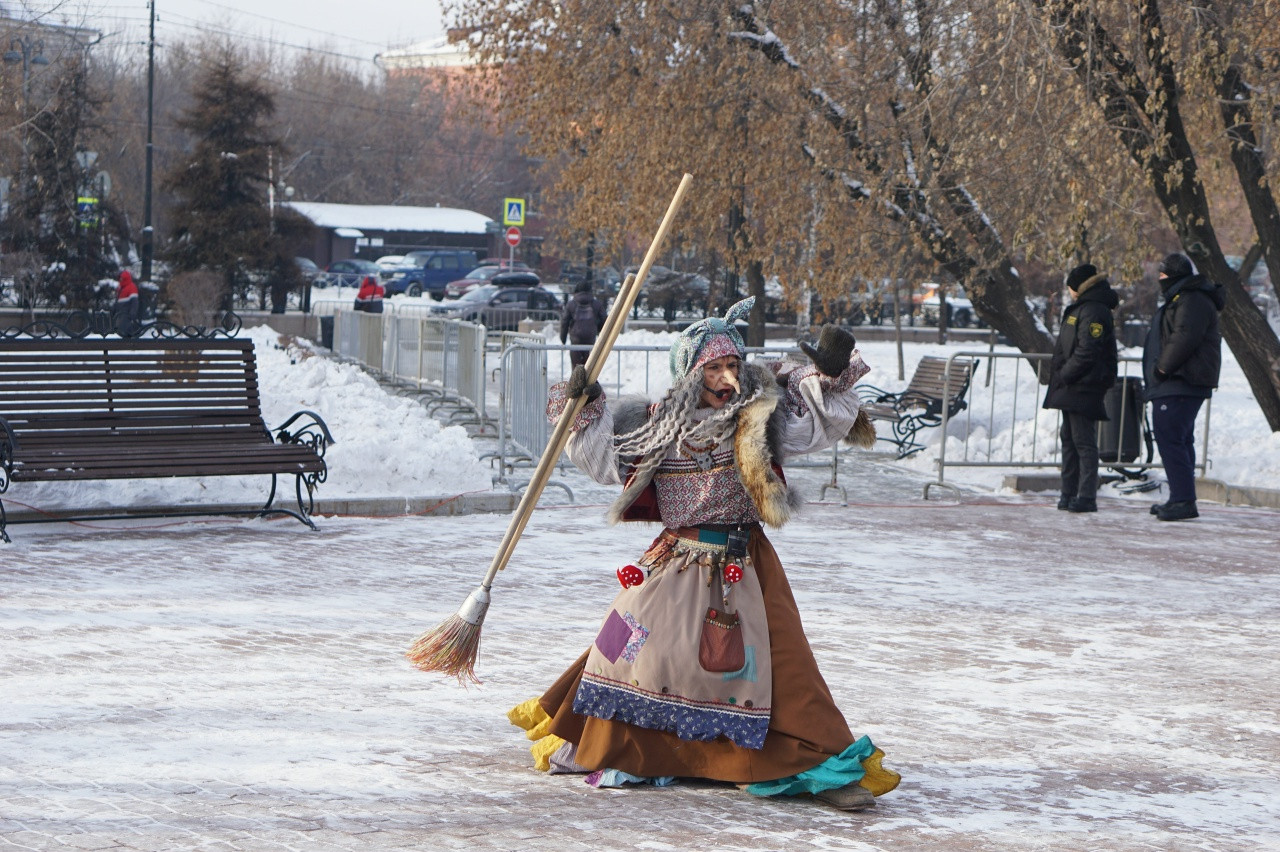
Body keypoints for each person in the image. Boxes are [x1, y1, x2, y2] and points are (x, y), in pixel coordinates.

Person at [508, 298, 898, 812]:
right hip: (676, 558)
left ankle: (817, 765)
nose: (725, 377)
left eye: (733, 365)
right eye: (713, 367)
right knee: (629, 651)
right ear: (690, 372)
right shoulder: (657, 425)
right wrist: (587, 405)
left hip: (746, 561)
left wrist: (826, 374)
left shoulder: (758, 419)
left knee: (782, 668)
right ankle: (609, 743)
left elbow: (813, 424)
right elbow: (605, 459)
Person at [1143, 252, 1224, 521]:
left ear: (1175, 276)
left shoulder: (1192, 298)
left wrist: (1162, 368)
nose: (1160, 280)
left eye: (1163, 275)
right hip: (1178, 381)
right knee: (1179, 438)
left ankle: (1183, 500)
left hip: (1181, 380)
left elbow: (1184, 337)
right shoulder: (1184, 297)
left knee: (1170, 437)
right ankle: (1181, 496)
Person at [1042, 263, 1118, 513]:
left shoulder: (1095, 310)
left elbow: (1088, 349)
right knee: (1069, 439)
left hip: (1083, 385)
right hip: (1072, 385)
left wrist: (1065, 373)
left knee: (1083, 441)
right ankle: (1068, 492)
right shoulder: (1082, 308)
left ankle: (1086, 496)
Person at [559, 280, 607, 367]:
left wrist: (563, 339)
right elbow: (604, 320)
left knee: (576, 368)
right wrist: (598, 331)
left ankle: (577, 379)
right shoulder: (597, 304)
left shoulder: (571, 304)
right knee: (590, 368)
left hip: (575, 340)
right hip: (590, 339)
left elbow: (564, 322)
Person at [113, 270, 141, 337]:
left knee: (126, 330)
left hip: (126, 313)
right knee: (120, 330)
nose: (120, 280)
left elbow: (134, 303)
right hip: (120, 313)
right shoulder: (120, 287)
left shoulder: (131, 287)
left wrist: (132, 313)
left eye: (121, 278)